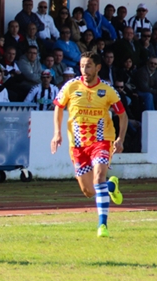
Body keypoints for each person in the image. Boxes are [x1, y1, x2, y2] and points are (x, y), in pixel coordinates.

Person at [52, 51, 126, 238]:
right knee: (88, 191)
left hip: (102, 141)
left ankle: (102, 226)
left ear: (98, 68)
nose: (84, 70)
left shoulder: (107, 90)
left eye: (88, 66)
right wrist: (57, 133)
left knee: (99, 177)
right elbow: (58, 108)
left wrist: (120, 139)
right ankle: (111, 187)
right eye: (82, 65)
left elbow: (122, 115)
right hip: (78, 145)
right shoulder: (71, 86)